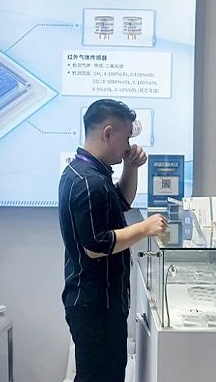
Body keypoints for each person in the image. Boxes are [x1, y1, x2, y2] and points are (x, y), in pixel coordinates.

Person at [58, 99, 168, 382]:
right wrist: (144, 228)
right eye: (126, 137)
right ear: (108, 133)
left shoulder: (88, 173)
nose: (128, 146)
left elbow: (121, 201)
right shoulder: (88, 182)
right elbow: (96, 245)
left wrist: (131, 167)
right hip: (96, 305)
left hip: (98, 301)